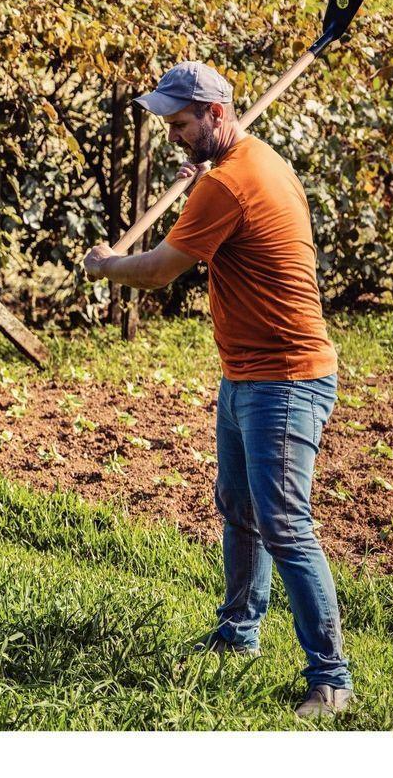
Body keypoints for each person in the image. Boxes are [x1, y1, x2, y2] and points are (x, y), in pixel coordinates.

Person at [83, 61, 353, 719]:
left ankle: (332, 681)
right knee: (239, 509)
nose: (172, 136)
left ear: (215, 114)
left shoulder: (228, 185)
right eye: (168, 125)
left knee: (284, 525)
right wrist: (201, 181)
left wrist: (107, 266)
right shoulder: (252, 162)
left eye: (180, 123)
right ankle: (238, 635)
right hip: (248, 375)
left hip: (284, 378)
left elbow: (158, 272)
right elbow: (223, 212)